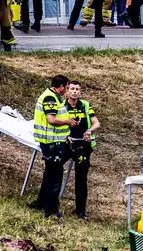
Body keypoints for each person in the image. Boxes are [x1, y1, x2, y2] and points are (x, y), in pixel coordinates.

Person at [31, 75, 77, 218]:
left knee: (49, 173)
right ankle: (51, 209)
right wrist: (68, 122)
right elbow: (51, 120)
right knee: (56, 176)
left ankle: (41, 203)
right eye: (68, 87)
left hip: (55, 141)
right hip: (51, 143)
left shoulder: (54, 97)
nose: (68, 90)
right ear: (62, 86)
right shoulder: (50, 98)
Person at [64, 80, 100, 219]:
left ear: (80, 91)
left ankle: (80, 211)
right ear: (67, 90)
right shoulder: (62, 106)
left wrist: (89, 130)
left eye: (77, 89)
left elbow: (96, 122)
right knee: (54, 171)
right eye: (72, 88)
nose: (74, 91)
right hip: (66, 144)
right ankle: (48, 204)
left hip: (83, 145)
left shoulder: (85, 105)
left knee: (81, 178)